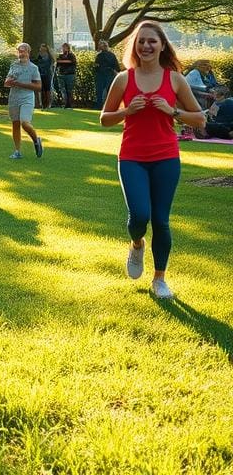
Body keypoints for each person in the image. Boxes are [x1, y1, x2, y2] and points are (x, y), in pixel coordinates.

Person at [100, 21, 204, 300]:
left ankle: (160, 279)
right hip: (132, 157)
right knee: (139, 216)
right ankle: (136, 244)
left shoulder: (174, 79)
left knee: (161, 220)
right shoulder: (124, 78)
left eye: (152, 41)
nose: (146, 46)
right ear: (135, 46)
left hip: (166, 157)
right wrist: (126, 111)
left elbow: (200, 117)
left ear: (162, 46)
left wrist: (172, 111)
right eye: (141, 41)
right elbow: (104, 119)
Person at [5, 42, 43, 159]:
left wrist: (20, 84)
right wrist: (10, 82)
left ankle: (36, 139)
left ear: (28, 52)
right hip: (14, 98)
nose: (21, 53)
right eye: (20, 51)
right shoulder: (14, 65)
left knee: (25, 123)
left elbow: (38, 86)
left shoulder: (33, 68)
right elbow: (6, 83)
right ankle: (17, 151)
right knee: (15, 124)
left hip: (27, 97)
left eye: (24, 51)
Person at [94, 40, 120, 109]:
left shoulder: (99, 56)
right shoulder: (112, 55)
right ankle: (110, 106)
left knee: (99, 91)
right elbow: (116, 66)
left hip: (101, 75)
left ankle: (99, 106)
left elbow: (96, 66)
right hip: (110, 74)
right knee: (109, 91)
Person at [55, 42, 77, 108]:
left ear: (68, 48)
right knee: (62, 89)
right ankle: (64, 103)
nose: (64, 49)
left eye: (65, 47)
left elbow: (72, 62)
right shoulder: (60, 56)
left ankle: (69, 104)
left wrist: (61, 61)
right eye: (63, 47)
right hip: (61, 74)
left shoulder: (71, 55)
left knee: (69, 90)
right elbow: (57, 64)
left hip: (70, 75)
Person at [33, 43, 55, 109]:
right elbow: (37, 62)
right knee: (42, 90)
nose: (41, 49)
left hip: (47, 74)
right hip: (41, 74)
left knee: (47, 90)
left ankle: (48, 104)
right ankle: (43, 104)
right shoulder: (40, 55)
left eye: (42, 47)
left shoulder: (48, 56)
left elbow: (43, 64)